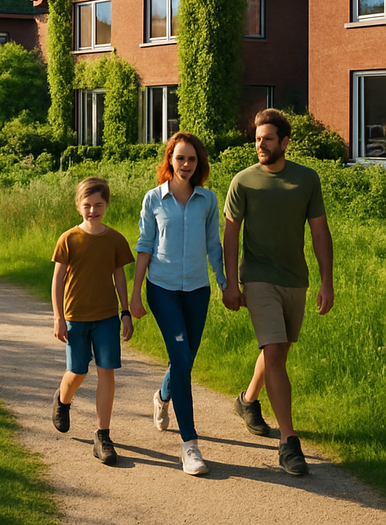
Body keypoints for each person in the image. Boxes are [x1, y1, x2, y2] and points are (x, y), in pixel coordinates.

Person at [223, 108, 334, 477]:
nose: (260, 145)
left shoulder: (307, 179)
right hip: (257, 278)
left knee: (280, 351)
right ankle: (289, 442)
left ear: (285, 142)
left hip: (295, 279)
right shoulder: (243, 181)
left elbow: (319, 232)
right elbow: (230, 235)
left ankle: (247, 401)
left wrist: (326, 281)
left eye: (267, 139)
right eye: (257, 139)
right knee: (272, 349)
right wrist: (231, 282)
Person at [130, 132, 225, 476]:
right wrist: (135, 293)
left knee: (184, 359)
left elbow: (214, 245)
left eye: (192, 159)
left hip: (198, 290)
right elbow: (144, 246)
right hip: (163, 289)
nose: (186, 165)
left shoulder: (208, 200)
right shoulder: (153, 199)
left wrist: (225, 283)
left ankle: (162, 395)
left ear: (199, 164)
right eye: (180, 158)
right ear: (169, 159)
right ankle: (190, 446)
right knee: (182, 358)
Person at [51, 176, 134, 465]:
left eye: (98, 204)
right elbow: (58, 279)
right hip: (75, 318)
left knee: (106, 373)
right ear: (79, 206)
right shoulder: (69, 239)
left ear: (106, 204)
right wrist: (58, 317)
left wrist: (126, 312)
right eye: (87, 205)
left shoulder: (114, 239)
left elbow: (120, 276)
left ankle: (102, 435)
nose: (93, 210)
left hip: (107, 318)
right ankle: (63, 400)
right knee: (77, 373)